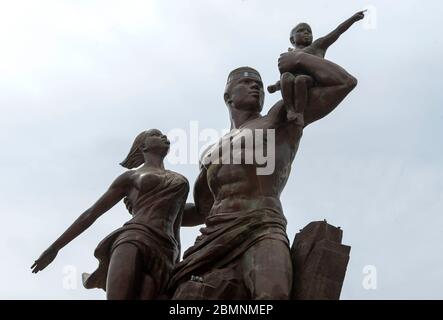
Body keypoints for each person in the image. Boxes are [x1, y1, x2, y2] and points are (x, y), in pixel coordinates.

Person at [169, 57, 357, 299]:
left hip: (262, 227)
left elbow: (344, 83)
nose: (255, 86)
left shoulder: (278, 119)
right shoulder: (210, 152)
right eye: (246, 82)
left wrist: (300, 58)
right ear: (228, 96)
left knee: (273, 294)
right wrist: (156, 210)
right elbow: (202, 210)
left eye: (258, 83)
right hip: (213, 236)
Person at [31, 129, 189, 300]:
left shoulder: (180, 180)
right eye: (156, 135)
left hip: (166, 249)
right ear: (143, 146)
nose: (164, 137)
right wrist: (56, 246)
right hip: (134, 238)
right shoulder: (130, 177)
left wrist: (176, 261)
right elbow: (92, 213)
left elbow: (179, 221)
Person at [267, 11, 365, 124]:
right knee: (286, 76)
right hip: (292, 86)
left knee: (301, 79)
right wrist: (275, 87)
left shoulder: (317, 46)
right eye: (301, 31)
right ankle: (290, 110)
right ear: (292, 39)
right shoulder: (289, 55)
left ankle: (299, 112)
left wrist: (352, 19)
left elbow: (336, 32)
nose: (306, 33)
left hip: (310, 82)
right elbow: (285, 80)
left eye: (309, 31)